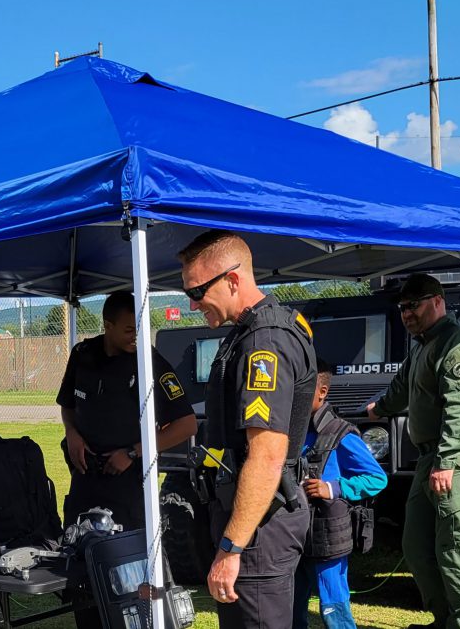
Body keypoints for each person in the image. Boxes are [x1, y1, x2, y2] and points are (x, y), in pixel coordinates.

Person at [177, 229, 316, 629]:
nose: (191, 303)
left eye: (199, 291)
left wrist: (232, 548)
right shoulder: (252, 331)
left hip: (258, 528)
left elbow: (268, 456)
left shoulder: (264, 342)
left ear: (233, 279)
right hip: (257, 520)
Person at [367, 273, 460, 629]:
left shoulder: (455, 343)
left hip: (451, 460)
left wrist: (448, 461)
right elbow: (400, 388)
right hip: (428, 459)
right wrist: (378, 409)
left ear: (438, 301)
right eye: (402, 307)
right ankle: (444, 619)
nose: (406, 313)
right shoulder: (423, 344)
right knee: (417, 547)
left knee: (454, 548)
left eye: (414, 305)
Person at [57, 290, 196, 530]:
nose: (137, 337)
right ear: (108, 326)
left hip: (128, 480)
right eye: (129, 330)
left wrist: (133, 453)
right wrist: (72, 434)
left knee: (126, 557)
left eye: (140, 328)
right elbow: (68, 404)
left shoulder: (150, 363)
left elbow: (187, 424)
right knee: (75, 546)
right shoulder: (83, 355)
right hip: (85, 475)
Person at [294, 357, 387, 629]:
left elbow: (376, 478)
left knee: (333, 610)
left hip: (326, 539)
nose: (295, 393)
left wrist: (333, 488)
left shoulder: (341, 434)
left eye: (303, 387)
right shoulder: (290, 433)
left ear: (322, 392)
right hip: (292, 537)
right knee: (290, 609)